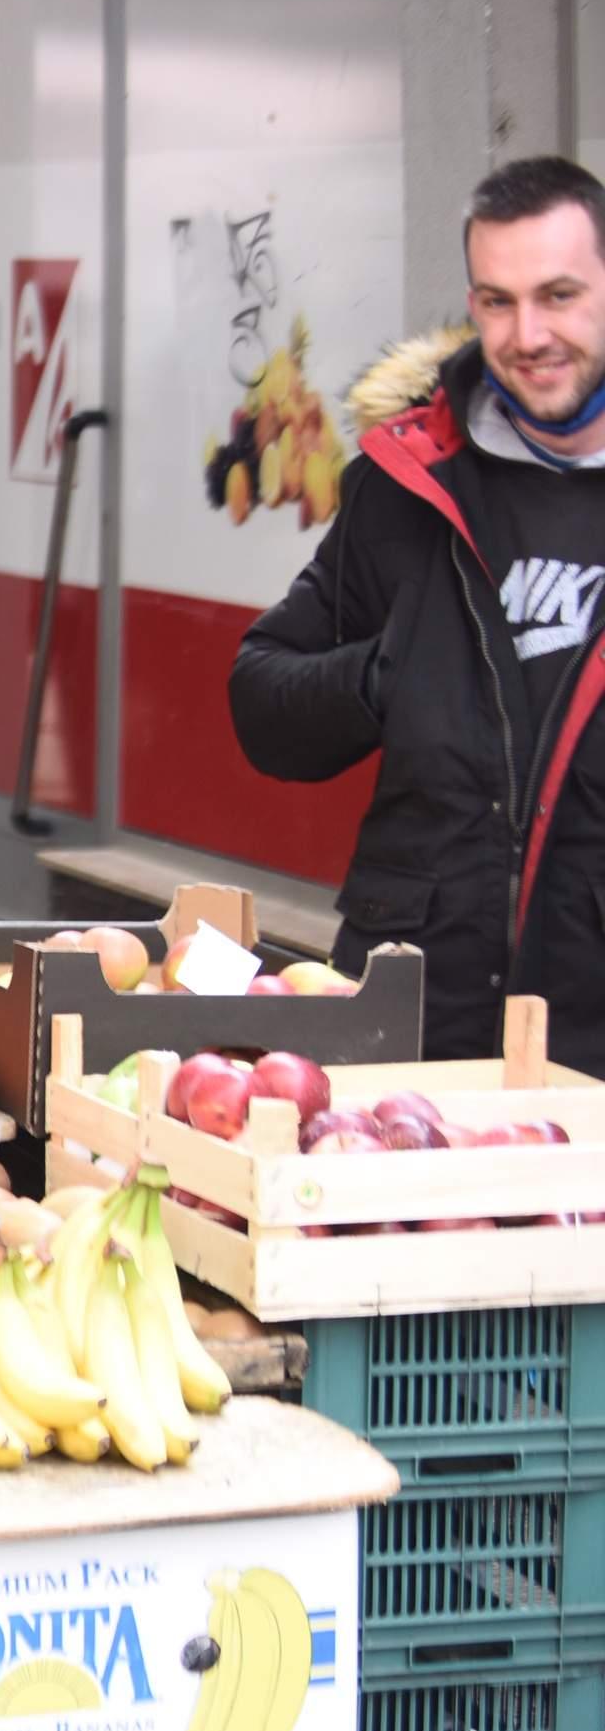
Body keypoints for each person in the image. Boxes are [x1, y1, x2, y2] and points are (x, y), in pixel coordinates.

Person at [231, 153, 605, 1070]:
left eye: (559, 295)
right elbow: (263, 704)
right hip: (414, 1045)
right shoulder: (409, 486)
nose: (528, 334)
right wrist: (383, 674)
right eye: (497, 301)